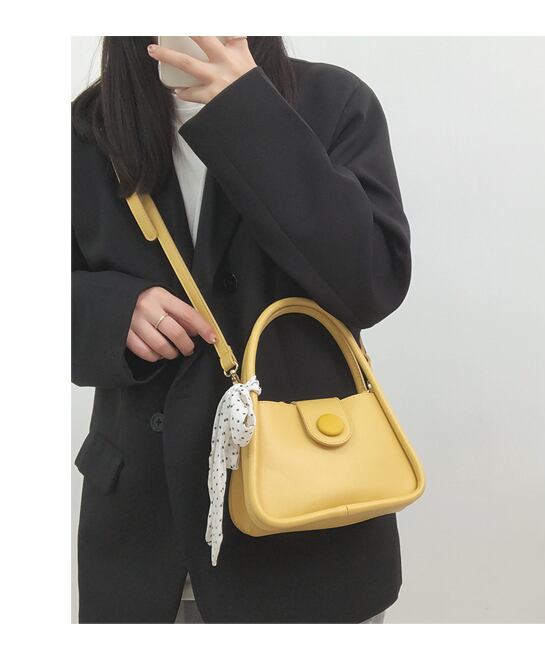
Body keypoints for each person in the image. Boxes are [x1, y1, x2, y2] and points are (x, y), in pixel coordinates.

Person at [71, 36, 411, 624]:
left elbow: (372, 281)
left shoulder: (333, 101)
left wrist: (249, 111)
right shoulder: (83, 131)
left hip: (314, 526)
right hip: (145, 534)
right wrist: (108, 310)